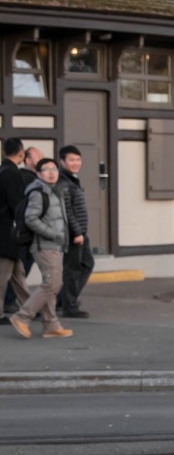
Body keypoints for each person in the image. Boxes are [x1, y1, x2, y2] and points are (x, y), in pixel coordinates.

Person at [9, 158, 73, 339]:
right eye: (46, 169)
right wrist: (52, 233)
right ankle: (22, 317)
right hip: (44, 245)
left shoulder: (55, 191)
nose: (52, 172)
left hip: (56, 244)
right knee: (52, 283)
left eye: (54, 169)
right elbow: (31, 219)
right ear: (38, 174)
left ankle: (50, 325)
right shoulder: (38, 192)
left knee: (52, 283)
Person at [55, 146, 93, 317]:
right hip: (73, 234)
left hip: (81, 232)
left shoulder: (72, 179)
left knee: (86, 263)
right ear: (62, 162)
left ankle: (63, 300)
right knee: (72, 269)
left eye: (78, 159)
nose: (76, 163)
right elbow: (67, 211)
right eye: (71, 160)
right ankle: (69, 306)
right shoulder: (63, 182)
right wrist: (77, 232)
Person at [0, 137, 31, 324]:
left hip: (5, 231)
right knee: (3, 275)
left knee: (18, 273)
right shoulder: (12, 174)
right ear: (21, 153)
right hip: (7, 232)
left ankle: (31, 306)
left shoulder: (3, 171)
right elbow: (17, 204)